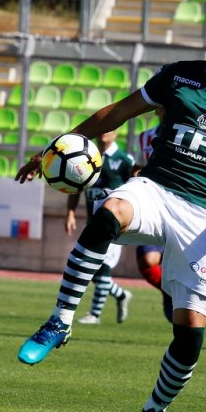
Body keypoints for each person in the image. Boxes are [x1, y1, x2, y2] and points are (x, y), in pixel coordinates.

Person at [14, 3, 206, 412]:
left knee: (190, 335)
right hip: (156, 188)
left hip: (205, 217)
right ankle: (60, 322)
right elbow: (115, 114)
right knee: (107, 215)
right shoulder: (180, 75)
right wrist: (50, 151)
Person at [67, 130, 135, 325]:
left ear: (116, 133)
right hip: (92, 224)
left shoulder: (124, 160)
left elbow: (137, 184)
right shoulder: (87, 158)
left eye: (110, 128)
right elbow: (77, 186)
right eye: (103, 127)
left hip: (112, 226)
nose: (104, 131)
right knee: (91, 271)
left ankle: (94, 315)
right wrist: (70, 211)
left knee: (102, 269)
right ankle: (121, 295)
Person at [132, 116, 174, 323]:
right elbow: (138, 166)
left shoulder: (186, 131)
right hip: (151, 205)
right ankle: (168, 291)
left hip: (180, 207)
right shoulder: (144, 137)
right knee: (147, 261)